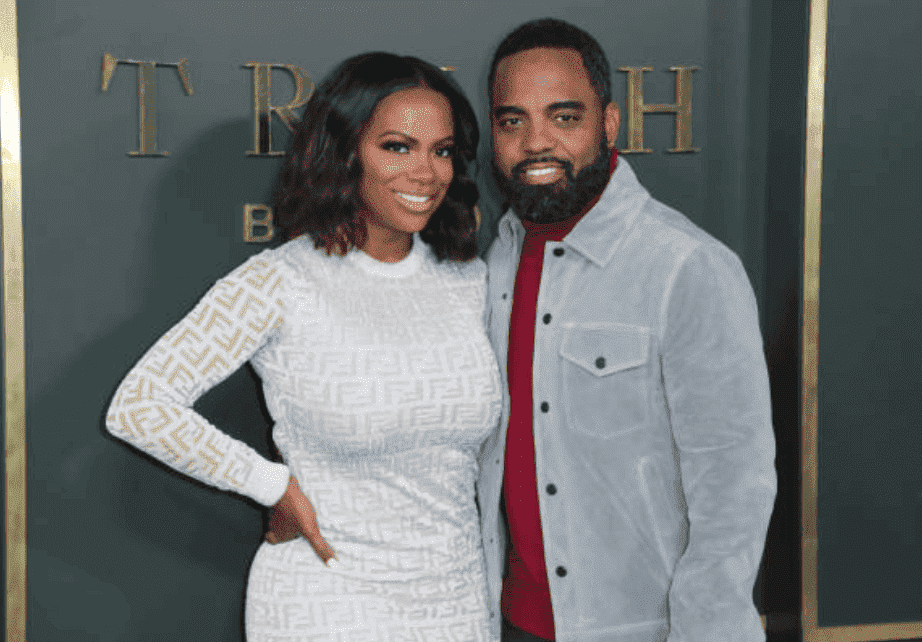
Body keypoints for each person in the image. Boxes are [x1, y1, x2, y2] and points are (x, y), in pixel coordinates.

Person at [105, 52, 502, 642]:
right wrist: (270, 484)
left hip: (456, 601)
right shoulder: (280, 282)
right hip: (326, 599)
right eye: (397, 146)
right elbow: (138, 407)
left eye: (441, 150)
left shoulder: (470, 281)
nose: (427, 172)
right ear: (346, 152)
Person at [475, 18, 778, 642]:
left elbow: (733, 490)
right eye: (513, 121)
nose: (537, 143)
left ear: (609, 125)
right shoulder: (499, 257)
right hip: (508, 623)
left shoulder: (687, 266)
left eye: (564, 117)